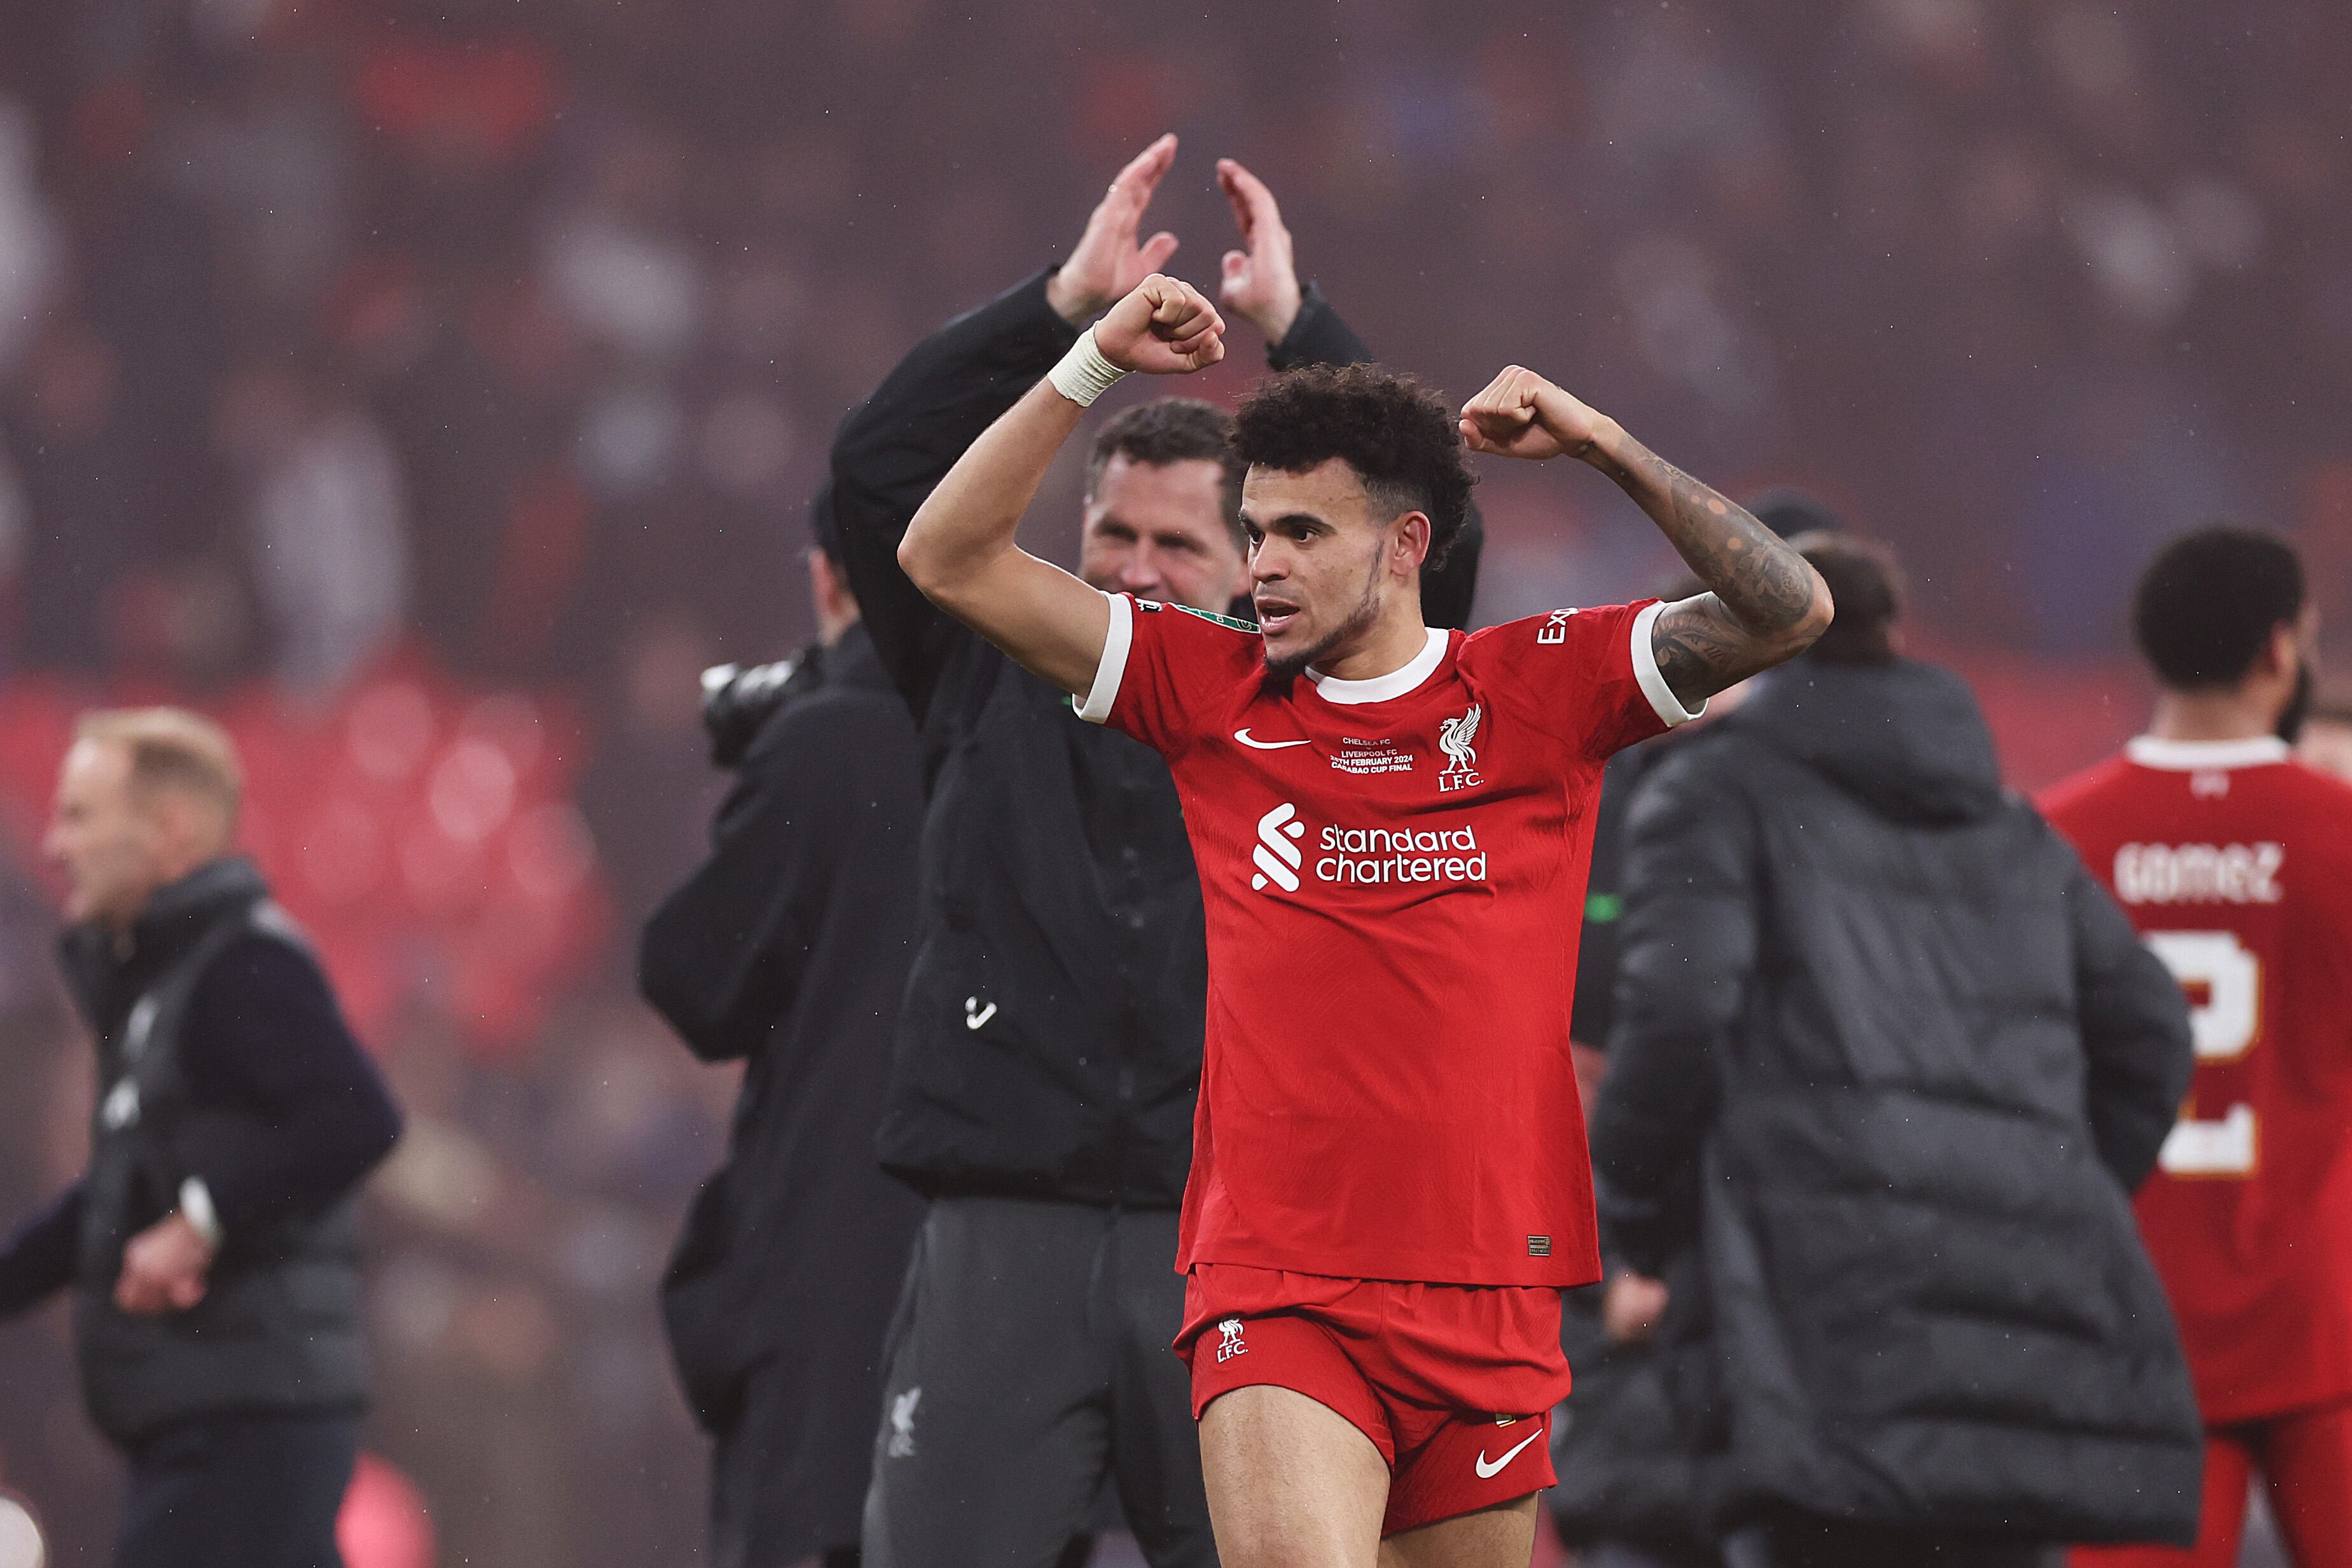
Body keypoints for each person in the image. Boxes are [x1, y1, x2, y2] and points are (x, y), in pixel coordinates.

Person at [893, 261, 1829, 1564]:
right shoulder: (1201, 688)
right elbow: (944, 557)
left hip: (1494, 1287)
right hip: (1281, 1285)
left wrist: (1605, 444)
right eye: (1257, 527)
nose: (1261, 565)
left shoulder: (1539, 690)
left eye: (1301, 535)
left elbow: (1789, 607)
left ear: (1404, 547)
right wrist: (1088, 365)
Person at [831, 139, 1479, 1568]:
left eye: (1175, 545)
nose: (1130, 568)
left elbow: (1442, 542)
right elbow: (878, 481)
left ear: (1256, 560)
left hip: (1234, 1234)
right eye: (1106, 533)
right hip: (1006, 1218)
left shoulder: (1317, 696)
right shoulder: (984, 659)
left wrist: (1301, 335)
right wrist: (1062, 313)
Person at [1588, 533, 2203, 1567]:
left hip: (1808, 1312)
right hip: (2015, 1310)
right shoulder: (2009, 828)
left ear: (1753, 637)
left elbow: (1679, 1011)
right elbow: (2151, 1032)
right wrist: (2051, 1190)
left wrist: (1642, 1230)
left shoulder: (1710, 793)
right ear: (1894, 641)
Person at [0, 708, 403, 1568]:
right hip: (206, 1409)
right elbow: (113, 1197)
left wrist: (202, 1218)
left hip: (247, 1409)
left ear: (168, 833)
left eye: (82, 817)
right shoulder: (161, 986)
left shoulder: (241, 962)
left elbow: (356, 1116)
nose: (60, 845)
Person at [2044, 526, 2352, 1568]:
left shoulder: (2051, 839)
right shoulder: (2338, 830)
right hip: (2326, 1313)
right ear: (2281, 650)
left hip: (2125, 1324)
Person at [640, 495, 927, 1568]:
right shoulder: (1031, 727)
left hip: (833, 1256)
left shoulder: (832, 739)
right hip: (995, 1280)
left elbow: (691, 975)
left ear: (825, 579)